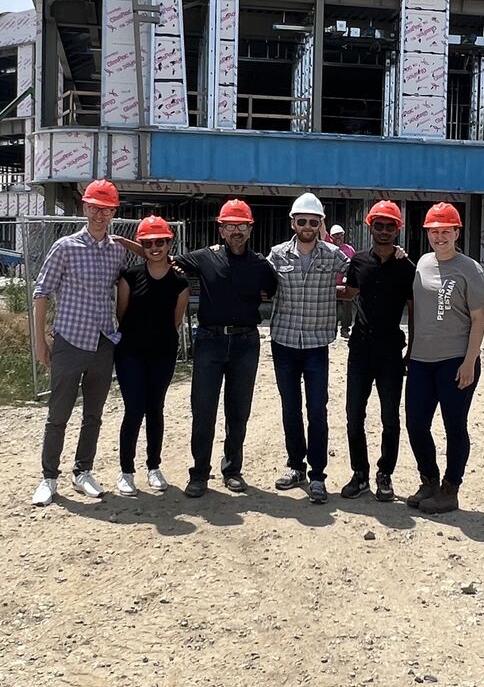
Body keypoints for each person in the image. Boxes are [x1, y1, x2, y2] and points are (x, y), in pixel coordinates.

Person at [31, 179, 127, 508]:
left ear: (114, 211)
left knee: (94, 415)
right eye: (95, 208)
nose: (100, 214)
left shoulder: (117, 251)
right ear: (85, 208)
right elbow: (41, 292)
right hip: (69, 340)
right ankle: (49, 477)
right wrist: (40, 342)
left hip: (103, 342)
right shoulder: (65, 248)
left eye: (107, 209)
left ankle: (82, 471)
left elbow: (132, 274)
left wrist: (140, 247)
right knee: (58, 414)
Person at [174, 200, 277, 497]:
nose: (236, 231)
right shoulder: (204, 258)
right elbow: (166, 261)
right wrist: (134, 247)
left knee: (238, 412)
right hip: (210, 341)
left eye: (241, 226)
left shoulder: (260, 265)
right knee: (203, 409)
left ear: (250, 229)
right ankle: (199, 474)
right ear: (221, 229)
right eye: (230, 226)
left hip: (246, 343)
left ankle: (232, 470)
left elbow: (272, 289)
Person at [405, 202, 484, 515]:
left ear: (457, 232)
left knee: (454, 426)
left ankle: (449, 489)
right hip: (420, 360)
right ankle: (428, 480)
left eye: (446, 231)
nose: (440, 236)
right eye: (434, 231)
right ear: (427, 233)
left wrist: (470, 361)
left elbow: (479, 318)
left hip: (456, 360)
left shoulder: (469, 268)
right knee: (416, 424)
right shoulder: (422, 263)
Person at [267, 192, 350, 504]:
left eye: (313, 222)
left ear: (320, 224)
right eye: (301, 221)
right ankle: (295, 467)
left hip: (317, 344)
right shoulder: (276, 255)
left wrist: (395, 254)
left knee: (317, 410)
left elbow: (361, 271)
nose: (307, 226)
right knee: (290, 408)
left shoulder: (334, 256)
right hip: (284, 343)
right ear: (293, 223)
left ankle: (317, 475)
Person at [339, 201, 415, 503]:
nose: (384, 231)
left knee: (389, 418)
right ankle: (360, 474)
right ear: (370, 227)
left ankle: (385, 475)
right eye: (379, 225)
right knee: (353, 415)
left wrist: (413, 350)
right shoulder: (357, 262)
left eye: (390, 226)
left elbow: (414, 310)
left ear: (398, 229)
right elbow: (349, 292)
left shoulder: (407, 267)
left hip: (390, 351)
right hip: (359, 348)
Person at [114, 216, 190, 496]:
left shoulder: (180, 282)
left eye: (161, 242)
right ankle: (126, 472)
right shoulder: (130, 277)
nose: (155, 247)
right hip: (130, 352)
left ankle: (154, 467)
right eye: (148, 243)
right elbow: (121, 314)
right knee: (134, 409)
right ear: (142, 245)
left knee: (155, 408)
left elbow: (176, 321)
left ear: (170, 242)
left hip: (162, 353)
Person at [329, 224, 356, 338]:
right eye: (335, 235)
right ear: (331, 237)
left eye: (340, 235)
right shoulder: (328, 249)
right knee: (331, 310)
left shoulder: (349, 249)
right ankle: (332, 330)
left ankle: (345, 329)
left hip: (345, 285)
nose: (338, 237)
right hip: (331, 285)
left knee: (347, 309)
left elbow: (354, 265)